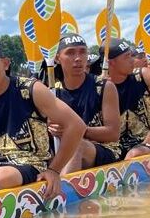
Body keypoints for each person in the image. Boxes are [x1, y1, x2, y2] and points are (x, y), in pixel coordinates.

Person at [0, 37, 84, 198]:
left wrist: (54, 170)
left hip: (32, 165)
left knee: (0, 176)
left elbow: (76, 125)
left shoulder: (31, 88)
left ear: (6, 63)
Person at [50, 33, 121, 171]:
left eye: (82, 52)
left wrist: (75, 131)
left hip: (104, 149)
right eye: (70, 53)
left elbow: (113, 133)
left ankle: (63, 192)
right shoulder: (51, 92)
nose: (78, 58)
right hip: (62, 150)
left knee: (76, 144)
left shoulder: (104, 86)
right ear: (57, 58)